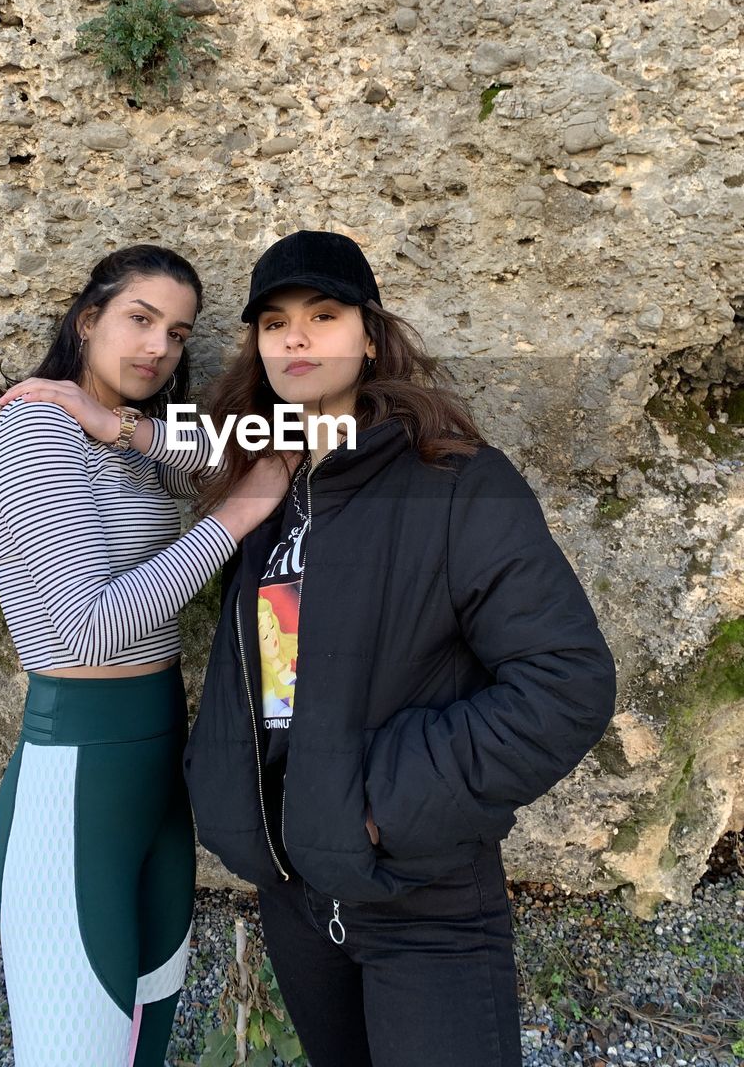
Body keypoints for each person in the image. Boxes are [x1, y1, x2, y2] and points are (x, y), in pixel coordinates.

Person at [184, 230, 618, 1067]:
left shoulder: (455, 481)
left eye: (323, 314)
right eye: (273, 323)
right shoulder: (261, 486)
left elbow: (565, 682)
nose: (296, 338)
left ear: (371, 335)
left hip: (424, 901)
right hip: (292, 895)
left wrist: (384, 800)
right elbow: (264, 671)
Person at [0, 244, 291, 1067]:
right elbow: (84, 626)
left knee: (143, 1038)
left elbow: (271, 446)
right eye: (139, 320)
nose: (159, 347)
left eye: (178, 334)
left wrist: (121, 424)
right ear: (89, 321)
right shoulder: (36, 431)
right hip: (77, 778)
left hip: (156, 774)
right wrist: (232, 524)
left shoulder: (131, 442)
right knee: (71, 1053)